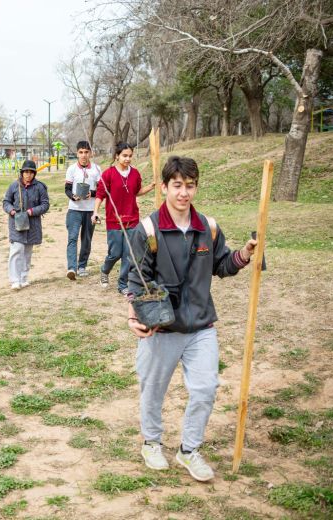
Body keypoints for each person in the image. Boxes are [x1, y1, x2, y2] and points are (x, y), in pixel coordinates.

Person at [127, 156, 257, 483]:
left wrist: (243, 255)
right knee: (153, 389)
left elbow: (222, 265)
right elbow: (135, 280)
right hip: (161, 328)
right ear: (165, 187)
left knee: (205, 389)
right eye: (177, 186)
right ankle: (152, 442)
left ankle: (189, 450)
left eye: (190, 185)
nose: (184, 193)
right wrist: (134, 316)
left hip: (201, 327)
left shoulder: (208, 228)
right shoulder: (148, 230)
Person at [92, 142, 155, 294]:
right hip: (114, 220)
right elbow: (100, 194)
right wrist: (95, 212)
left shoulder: (135, 174)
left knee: (129, 254)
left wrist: (151, 186)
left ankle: (123, 284)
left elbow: (137, 191)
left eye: (130, 156)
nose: (127, 159)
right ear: (117, 156)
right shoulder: (108, 174)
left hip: (132, 219)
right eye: (124, 156)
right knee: (115, 253)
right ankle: (105, 270)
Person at [2, 160, 50, 290]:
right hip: (16, 224)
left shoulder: (40, 187)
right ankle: (14, 280)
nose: (28, 175)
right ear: (22, 173)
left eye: (31, 172)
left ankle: (23, 278)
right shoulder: (14, 186)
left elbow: (45, 204)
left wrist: (32, 211)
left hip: (33, 225)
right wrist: (11, 210)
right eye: (26, 172)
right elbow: (6, 202)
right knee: (16, 250)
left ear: (34, 173)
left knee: (27, 252)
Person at [64, 140, 102, 280]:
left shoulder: (96, 170)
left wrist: (91, 194)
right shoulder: (72, 169)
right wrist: (73, 197)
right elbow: (67, 189)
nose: (84, 155)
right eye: (81, 152)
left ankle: (82, 266)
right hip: (74, 209)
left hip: (91, 210)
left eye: (86, 152)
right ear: (77, 153)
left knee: (86, 239)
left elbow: (101, 191)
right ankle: (72, 268)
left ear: (90, 153)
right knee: (72, 238)